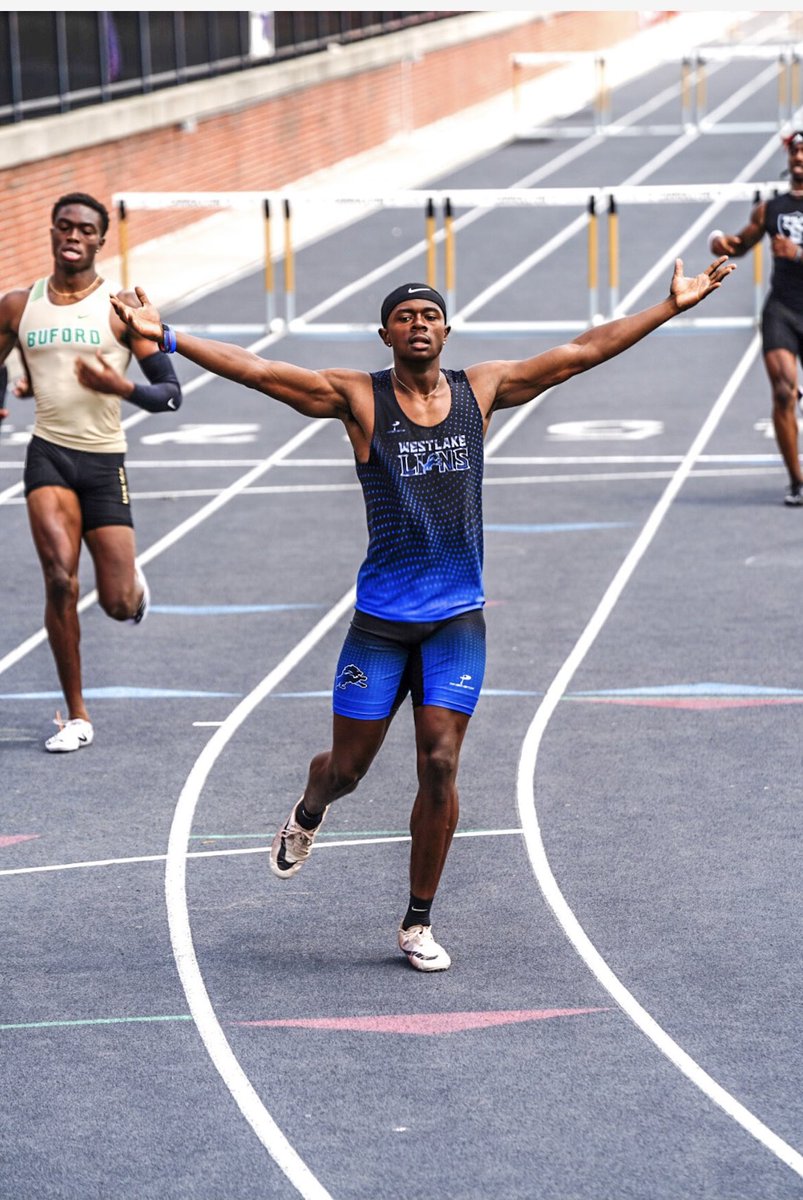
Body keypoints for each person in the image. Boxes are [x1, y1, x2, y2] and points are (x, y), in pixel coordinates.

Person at [111, 256, 733, 971]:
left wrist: (669, 308)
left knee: (439, 760)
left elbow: (579, 353)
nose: (418, 324)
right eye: (404, 316)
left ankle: (416, 921)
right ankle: (311, 808)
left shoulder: (483, 389)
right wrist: (169, 338)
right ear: (385, 334)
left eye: (429, 315)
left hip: (455, 619)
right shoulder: (358, 398)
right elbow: (259, 370)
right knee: (347, 769)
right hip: (379, 624)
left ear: (446, 329)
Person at [0, 192, 183, 753]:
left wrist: (120, 386)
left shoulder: (120, 309)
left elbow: (170, 394)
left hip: (104, 461)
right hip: (48, 452)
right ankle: (76, 715)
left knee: (116, 603)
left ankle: (132, 587)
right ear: (53, 233)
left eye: (84, 229)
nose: (73, 236)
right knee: (59, 579)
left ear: (101, 240)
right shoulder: (16, 305)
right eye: (64, 227)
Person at [710, 130, 803, 506]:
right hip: (782, 309)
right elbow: (741, 245)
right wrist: (721, 243)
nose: (799, 159)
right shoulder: (770, 208)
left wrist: (797, 254)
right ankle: (797, 481)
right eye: (796, 152)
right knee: (783, 392)